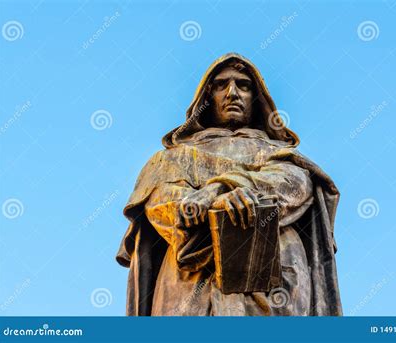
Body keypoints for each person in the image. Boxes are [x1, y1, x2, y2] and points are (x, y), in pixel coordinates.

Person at [116, 53, 342, 316]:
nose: (232, 93)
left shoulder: (280, 154)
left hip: (276, 282)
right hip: (191, 283)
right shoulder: (172, 157)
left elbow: (294, 185)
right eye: (221, 85)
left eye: (243, 86)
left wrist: (221, 187)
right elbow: (160, 202)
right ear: (206, 98)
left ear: (256, 99)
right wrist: (212, 205)